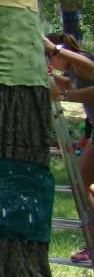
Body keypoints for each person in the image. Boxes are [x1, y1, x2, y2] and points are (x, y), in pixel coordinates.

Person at [46, 34, 94, 264]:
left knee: (82, 182)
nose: (48, 62)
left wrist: (65, 95)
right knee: (82, 183)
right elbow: (67, 83)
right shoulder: (74, 70)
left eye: (48, 57)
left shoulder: (82, 62)